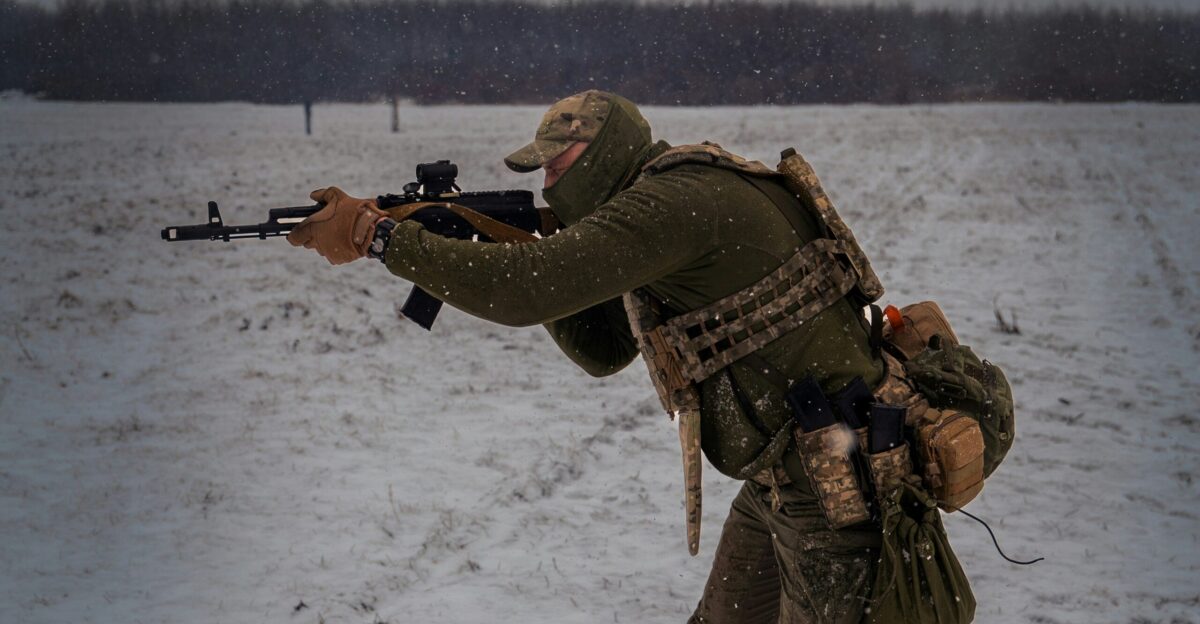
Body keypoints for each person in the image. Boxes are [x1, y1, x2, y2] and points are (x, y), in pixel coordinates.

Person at [287, 90, 885, 624]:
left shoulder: (669, 203)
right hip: (785, 474)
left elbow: (525, 290)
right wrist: (510, 240)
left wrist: (382, 238)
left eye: (558, 161)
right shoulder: (665, 195)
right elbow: (604, 350)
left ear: (605, 153)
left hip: (836, 484)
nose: (548, 179)